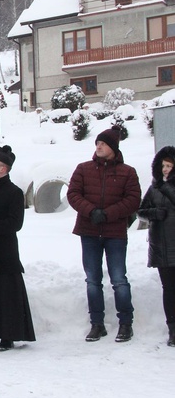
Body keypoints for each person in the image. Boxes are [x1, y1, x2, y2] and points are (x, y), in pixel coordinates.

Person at [68, 125, 141, 342]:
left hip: (115, 232)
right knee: (92, 280)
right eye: (97, 143)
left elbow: (133, 200)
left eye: (103, 143)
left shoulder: (128, 172)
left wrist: (107, 214)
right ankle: (97, 324)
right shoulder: (83, 169)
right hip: (89, 231)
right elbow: (73, 194)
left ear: (113, 147)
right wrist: (92, 211)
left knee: (119, 279)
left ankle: (126, 323)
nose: (98, 146)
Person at [0, 145, 36, 351]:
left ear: (3, 169)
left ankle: (7, 335)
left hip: (4, 252)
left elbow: (15, 223)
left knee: (5, 295)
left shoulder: (14, 192)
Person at [137, 146, 175, 347]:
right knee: (169, 289)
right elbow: (141, 211)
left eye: (169, 166)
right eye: (163, 166)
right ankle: (173, 329)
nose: (166, 169)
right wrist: (154, 213)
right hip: (162, 245)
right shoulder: (154, 188)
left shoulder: (161, 187)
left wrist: (166, 187)